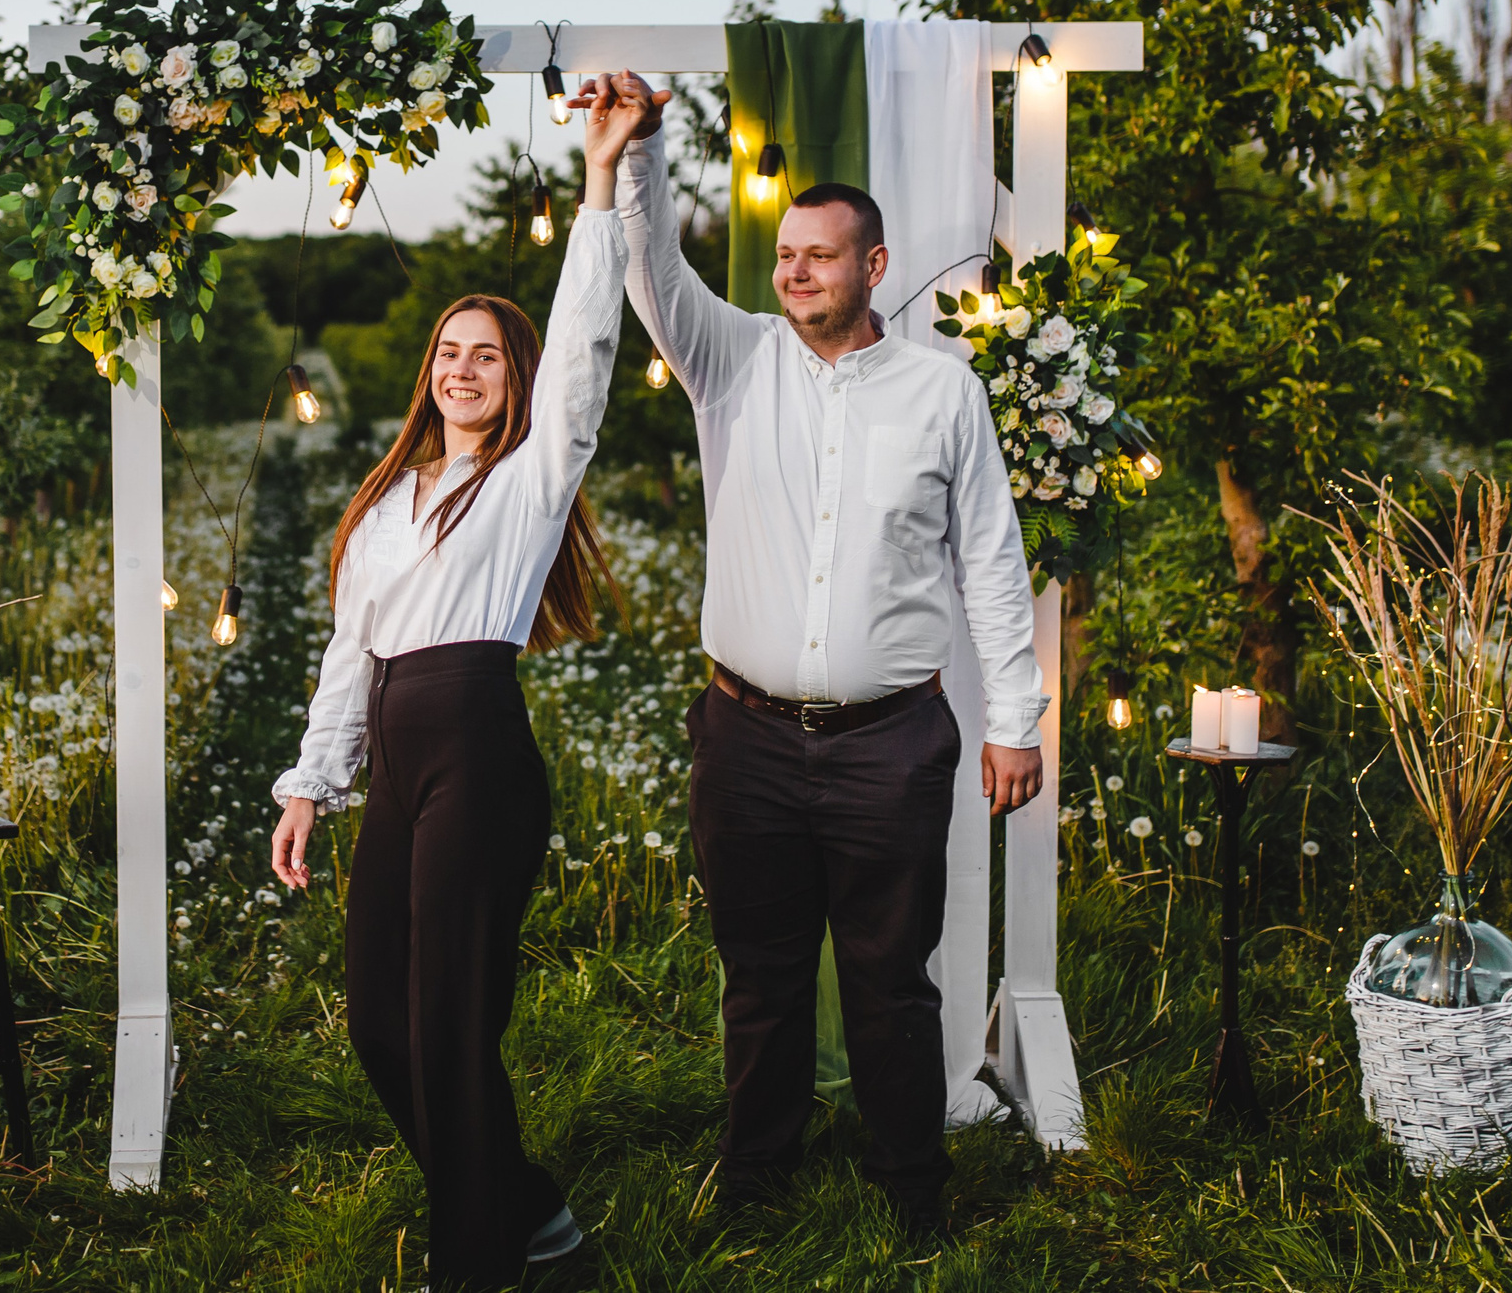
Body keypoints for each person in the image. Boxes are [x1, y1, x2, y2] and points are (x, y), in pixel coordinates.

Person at [576, 70, 1047, 1241]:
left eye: (818, 257)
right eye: (785, 255)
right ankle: (754, 1186)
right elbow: (652, 272)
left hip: (892, 742)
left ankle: (911, 1194)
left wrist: (1014, 723)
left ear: (872, 267)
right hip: (744, 738)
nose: (792, 272)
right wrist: (640, 152)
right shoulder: (731, 361)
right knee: (762, 974)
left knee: (891, 982)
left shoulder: (944, 394)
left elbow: (991, 561)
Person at [268, 81, 651, 1290]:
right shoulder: (386, 501)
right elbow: (350, 653)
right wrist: (310, 786)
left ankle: (473, 1265)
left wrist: (598, 181)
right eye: (449, 352)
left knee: (448, 1026)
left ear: (514, 376)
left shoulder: (530, 480)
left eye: (486, 355)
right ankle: (531, 1216)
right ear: (428, 371)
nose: (462, 369)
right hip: (396, 764)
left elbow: (584, 344)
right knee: (381, 1022)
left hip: (478, 757)